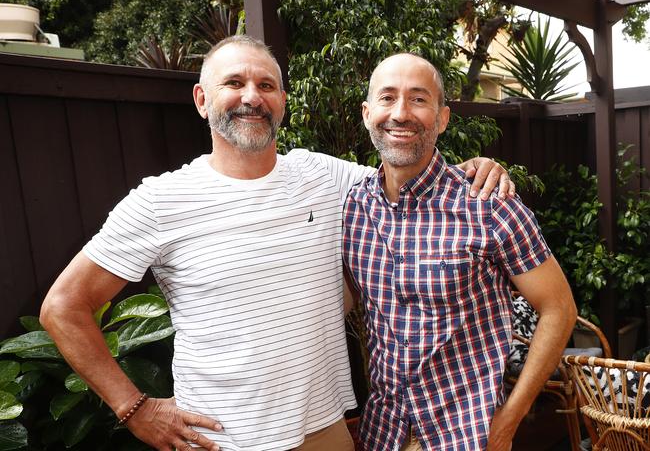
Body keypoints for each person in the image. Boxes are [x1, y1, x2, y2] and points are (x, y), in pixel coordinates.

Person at [40, 36, 513, 451]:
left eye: (266, 86)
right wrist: (134, 409)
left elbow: (409, 176)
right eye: (234, 84)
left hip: (326, 432)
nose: (252, 97)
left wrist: (476, 168)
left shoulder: (324, 176)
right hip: (221, 438)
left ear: (283, 100)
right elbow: (63, 306)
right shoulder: (160, 200)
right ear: (202, 99)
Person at [342, 53, 577, 451]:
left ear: (443, 117)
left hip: (466, 435)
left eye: (418, 99)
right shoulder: (353, 206)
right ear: (367, 113)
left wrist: (509, 419)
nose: (400, 113)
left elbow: (559, 308)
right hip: (383, 433)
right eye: (387, 98)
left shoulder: (488, 204)